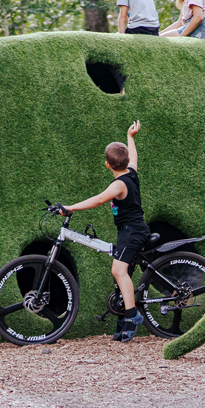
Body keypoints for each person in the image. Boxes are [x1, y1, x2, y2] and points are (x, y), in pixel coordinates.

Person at [60, 121, 152, 342]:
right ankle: (124, 319)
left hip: (132, 231)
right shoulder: (131, 172)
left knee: (118, 271)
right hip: (130, 230)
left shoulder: (119, 184)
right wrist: (131, 137)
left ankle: (132, 316)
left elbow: (100, 199)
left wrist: (70, 207)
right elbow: (134, 158)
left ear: (107, 164)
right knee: (122, 274)